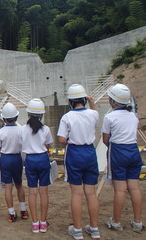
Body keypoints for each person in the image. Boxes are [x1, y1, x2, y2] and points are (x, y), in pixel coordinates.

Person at [57, 84, 100, 240]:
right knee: (91, 192)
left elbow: (62, 139)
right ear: (84, 99)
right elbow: (94, 119)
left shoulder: (67, 117)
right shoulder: (93, 114)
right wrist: (92, 103)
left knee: (76, 193)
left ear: (70, 101)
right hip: (89, 152)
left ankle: (77, 230)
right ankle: (94, 229)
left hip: (74, 153)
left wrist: (71, 138)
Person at [102, 84, 144, 233]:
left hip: (118, 152)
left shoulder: (109, 117)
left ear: (113, 101)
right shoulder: (133, 116)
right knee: (134, 187)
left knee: (120, 190)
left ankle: (116, 221)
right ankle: (138, 222)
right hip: (133, 151)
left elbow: (105, 140)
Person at [22, 99, 53, 233]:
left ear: (28, 113)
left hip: (30, 160)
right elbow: (47, 146)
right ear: (41, 114)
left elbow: (21, 144)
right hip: (42, 158)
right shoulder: (45, 129)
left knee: (32, 192)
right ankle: (43, 222)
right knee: (44, 192)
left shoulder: (23, 129)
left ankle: (35, 223)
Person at [0, 103, 28, 223]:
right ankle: (23, 210)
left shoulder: (1, 132)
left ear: (3, 118)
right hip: (17, 158)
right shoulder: (21, 130)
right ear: (16, 117)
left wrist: (1, 156)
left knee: (8, 186)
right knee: (19, 184)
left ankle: (11, 213)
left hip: (5, 158)